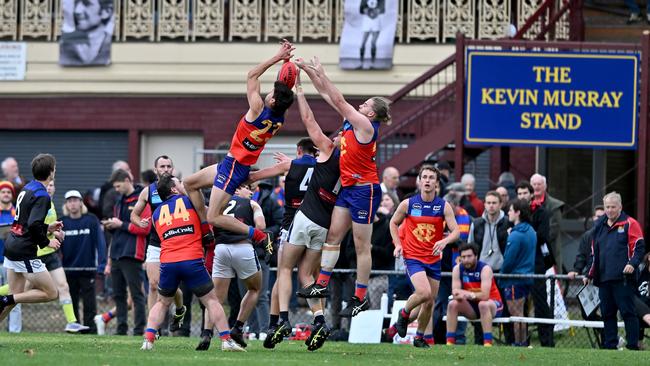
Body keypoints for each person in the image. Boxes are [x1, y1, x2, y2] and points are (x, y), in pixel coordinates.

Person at [296, 56, 392, 317]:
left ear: (371, 113)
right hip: (348, 189)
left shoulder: (366, 125)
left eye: (366, 104)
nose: (361, 105)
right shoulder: (353, 121)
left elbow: (338, 100)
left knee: (362, 246)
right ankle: (322, 285)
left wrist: (323, 72)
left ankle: (360, 297)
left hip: (365, 190)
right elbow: (329, 95)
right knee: (333, 237)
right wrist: (309, 73)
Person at [184, 40, 294, 255]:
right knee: (190, 183)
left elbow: (252, 75)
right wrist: (286, 72)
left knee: (214, 215)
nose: (269, 93)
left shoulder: (258, 108)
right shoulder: (281, 116)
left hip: (234, 166)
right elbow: (283, 96)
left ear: (272, 101)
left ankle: (259, 235)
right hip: (233, 164)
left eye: (272, 92)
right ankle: (207, 232)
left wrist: (278, 57)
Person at [141, 175, 244, 352]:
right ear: (174, 189)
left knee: (162, 302)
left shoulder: (156, 213)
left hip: (168, 262)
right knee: (212, 301)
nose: (184, 184)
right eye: (179, 182)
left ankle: (148, 341)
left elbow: (162, 236)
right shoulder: (191, 201)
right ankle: (226, 341)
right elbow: (211, 216)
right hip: (192, 260)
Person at [390, 165, 460, 348]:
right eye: (425, 177)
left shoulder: (443, 206)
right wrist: (398, 244)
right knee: (424, 292)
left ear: (437, 183)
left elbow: (456, 232)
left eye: (431, 178)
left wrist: (444, 241)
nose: (428, 180)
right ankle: (404, 314)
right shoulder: (408, 204)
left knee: (429, 302)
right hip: (413, 257)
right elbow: (393, 223)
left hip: (434, 259)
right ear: (419, 181)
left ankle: (419, 337)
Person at [196, 186, 265, 350]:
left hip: (221, 249)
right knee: (255, 289)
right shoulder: (252, 203)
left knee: (214, 298)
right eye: (248, 188)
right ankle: (238, 328)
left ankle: (206, 334)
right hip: (243, 247)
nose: (251, 192)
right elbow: (261, 225)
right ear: (238, 190)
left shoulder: (218, 203)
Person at [0, 154, 64, 322]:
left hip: (12, 244)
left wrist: (48, 227)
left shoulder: (28, 188)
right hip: (24, 250)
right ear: (51, 172)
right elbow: (34, 225)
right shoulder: (43, 195)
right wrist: (47, 241)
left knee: (14, 296)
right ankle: (5, 299)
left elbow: (26, 222)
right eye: (54, 169)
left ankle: (6, 299)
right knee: (51, 293)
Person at [130, 155, 186, 332]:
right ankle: (153, 327)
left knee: (170, 287)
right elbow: (134, 215)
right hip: (156, 243)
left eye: (169, 166)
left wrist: (180, 186)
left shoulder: (180, 186)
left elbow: (197, 202)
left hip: (176, 241)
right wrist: (140, 223)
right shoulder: (148, 191)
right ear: (155, 170)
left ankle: (179, 308)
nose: (166, 169)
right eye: (162, 166)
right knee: (154, 285)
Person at [586, 191, 645, 350]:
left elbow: (639, 247)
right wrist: (589, 274)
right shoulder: (598, 226)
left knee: (628, 313)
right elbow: (593, 252)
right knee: (607, 314)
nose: (610, 210)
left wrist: (632, 263)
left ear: (620, 207)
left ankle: (632, 346)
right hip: (604, 279)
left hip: (624, 279)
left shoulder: (630, 223)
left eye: (613, 207)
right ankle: (610, 346)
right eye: (607, 207)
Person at [35, 180, 90, 333]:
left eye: (52, 185)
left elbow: (47, 229)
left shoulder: (51, 205)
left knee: (63, 286)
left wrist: (57, 233)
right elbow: (33, 230)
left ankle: (72, 322)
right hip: (36, 255)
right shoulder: (38, 204)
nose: (49, 187)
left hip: (51, 254)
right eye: (47, 185)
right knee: (19, 290)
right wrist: (51, 234)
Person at [102, 169, 149, 336]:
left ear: (128, 180)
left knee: (137, 295)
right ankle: (121, 330)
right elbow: (119, 227)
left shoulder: (141, 199)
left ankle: (138, 330)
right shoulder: (119, 200)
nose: (116, 189)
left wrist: (120, 224)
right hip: (116, 253)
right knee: (119, 295)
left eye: (118, 186)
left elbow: (145, 228)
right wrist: (110, 225)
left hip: (132, 254)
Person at [61, 189, 107, 334]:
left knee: (89, 303)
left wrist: (102, 264)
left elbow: (100, 243)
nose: (73, 204)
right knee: (72, 301)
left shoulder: (91, 220)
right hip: (68, 270)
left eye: (75, 200)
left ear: (81, 203)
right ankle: (74, 328)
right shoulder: (62, 222)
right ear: (66, 205)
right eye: (69, 201)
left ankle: (90, 330)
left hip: (88, 270)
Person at [516, 180, 555, 347]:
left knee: (540, 303)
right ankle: (521, 341)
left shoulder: (541, 212)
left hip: (537, 262)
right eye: (519, 194)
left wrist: (522, 235)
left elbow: (543, 236)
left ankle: (546, 342)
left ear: (531, 194)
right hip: (520, 263)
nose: (522, 196)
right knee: (519, 302)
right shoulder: (515, 212)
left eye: (525, 193)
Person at [446, 243, 503, 347]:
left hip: (493, 303)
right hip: (472, 305)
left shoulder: (485, 269)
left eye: (469, 256)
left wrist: (466, 293)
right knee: (452, 304)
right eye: (463, 257)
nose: (466, 259)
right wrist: (461, 295)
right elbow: (455, 293)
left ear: (476, 256)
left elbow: (485, 296)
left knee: (483, 304)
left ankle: (488, 343)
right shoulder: (457, 269)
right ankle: (449, 342)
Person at [501, 198, 536, 347]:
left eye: (510, 210)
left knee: (516, 314)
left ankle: (519, 343)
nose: (508, 212)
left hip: (514, 279)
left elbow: (508, 261)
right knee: (521, 313)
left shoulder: (516, 235)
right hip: (526, 277)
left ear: (518, 212)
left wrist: (502, 276)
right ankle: (522, 342)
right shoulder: (531, 231)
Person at [59, 0, 114, 66]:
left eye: (86, 4)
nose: (77, 10)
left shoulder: (115, 46)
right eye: (76, 4)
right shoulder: (64, 45)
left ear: (106, 12)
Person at [530, 173, 564, 272]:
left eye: (539, 184)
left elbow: (553, 231)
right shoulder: (525, 205)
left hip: (549, 253)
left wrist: (534, 239)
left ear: (545, 186)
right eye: (534, 184)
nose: (536, 186)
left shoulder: (554, 206)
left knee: (552, 284)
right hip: (531, 254)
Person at [468, 191, 508, 273]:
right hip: (480, 269)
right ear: (485, 205)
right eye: (488, 203)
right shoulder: (476, 224)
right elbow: (470, 246)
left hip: (502, 270)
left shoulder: (508, 223)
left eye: (494, 203)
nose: (491, 205)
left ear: (500, 205)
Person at [0, 180, 21, 332]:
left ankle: (15, 331)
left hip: (13, 261)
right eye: (3, 192)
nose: (6, 194)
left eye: (8, 192)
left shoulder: (17, 214)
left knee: (14, 296)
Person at [358, 0, 385, 69]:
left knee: (373, 42)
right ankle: (361, 62)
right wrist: (368, 11)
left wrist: (373, 12)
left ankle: (373, 62)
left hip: (376, 22)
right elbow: (361, 9)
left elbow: (381, 9)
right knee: (363, 42)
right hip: (367, 22)